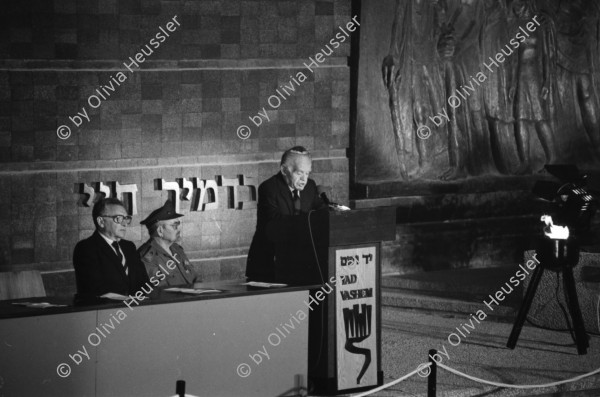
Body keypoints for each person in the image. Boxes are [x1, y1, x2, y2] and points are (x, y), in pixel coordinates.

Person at [246, 146, 326, 282]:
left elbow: (321, 210)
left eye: (307, 173)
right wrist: (308, 222)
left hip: (300, 264)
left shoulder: (310, 187)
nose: (304, 179)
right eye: (300, 173)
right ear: (284, 170)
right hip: (270, 265)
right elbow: (275, 223)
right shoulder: (269, 188)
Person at [73, 198, 150, 301]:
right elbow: (95, 290)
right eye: (118, 218)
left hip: (136, 309)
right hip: (105, 311)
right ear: (101, 221)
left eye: (126, 218)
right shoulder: (86, 248)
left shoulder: (129, 247)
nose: (124, 223)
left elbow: (143, 283)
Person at [138, 200, 199, 287]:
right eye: (174, 226)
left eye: (178, 225)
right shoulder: (147, 257)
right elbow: (161, 292)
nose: (178, 229)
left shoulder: (177, 249)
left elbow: (196, 278)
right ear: (160, 231)